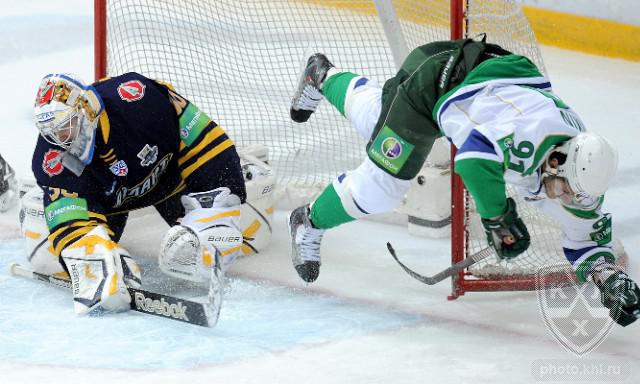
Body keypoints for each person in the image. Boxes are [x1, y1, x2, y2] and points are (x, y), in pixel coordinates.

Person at [287, 36, 639, 326]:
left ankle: (322, 74)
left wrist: (610, 280)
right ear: (557, 159)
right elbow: (473, 158)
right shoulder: (529, 138)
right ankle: (308, 221)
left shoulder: (577, 174)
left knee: (381, 120)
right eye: (563, 188)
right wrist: (497, 218)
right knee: (383, 186)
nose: (564, 199)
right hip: (437, 80)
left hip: (481, 74)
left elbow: (586, 240)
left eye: (572, 196)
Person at [31, 72, 248, 316]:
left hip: (172, 182)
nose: (61, 139)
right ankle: (35, 209)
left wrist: (217, 205)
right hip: (110, 204)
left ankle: (255, 177)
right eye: (52, 132)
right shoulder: (51, 158)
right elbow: (70, 223)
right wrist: (88, 254)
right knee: (51, 259)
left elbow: (208, 144)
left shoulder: (139, 100)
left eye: (66, 126)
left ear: (86, 109)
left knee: (214, 243)